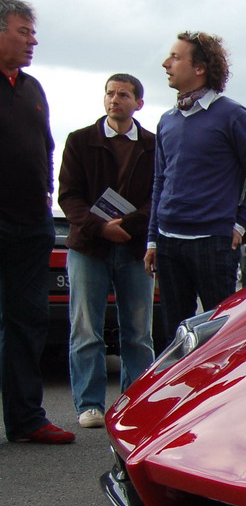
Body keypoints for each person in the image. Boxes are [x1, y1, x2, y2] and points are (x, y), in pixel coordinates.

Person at [146, 31, 246, 345]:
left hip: (213, 242)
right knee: (174, 339)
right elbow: (160, 181)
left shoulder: (232, 115)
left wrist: (240, 224)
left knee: (219, 338)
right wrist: (152, 239)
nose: (165, 64)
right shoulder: (167, 120)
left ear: (200, 68)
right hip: (168, 242)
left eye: (175, 57)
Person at [57, 74, 155, 430]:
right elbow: (68, 195)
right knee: (86, 329)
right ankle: (89, 404)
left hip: (134, 247)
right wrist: (100, 227)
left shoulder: (154, 145)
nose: (115, 99)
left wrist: (127, 225)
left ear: (138, 103)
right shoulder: (80, 140)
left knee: (138, 332)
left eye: (123, 94)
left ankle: (134, 404)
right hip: (89, 247)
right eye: (110, 93)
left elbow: (160, 195)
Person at [0, 0, 75, 443]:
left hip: (30, 225)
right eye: (24, 32)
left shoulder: (31, 89)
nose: (33, 41)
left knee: (28, 321)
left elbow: (46, 147)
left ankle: (26, 419)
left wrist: (46, 192)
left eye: (34, 33)